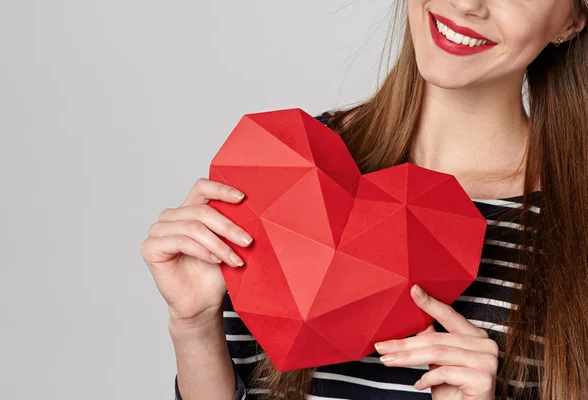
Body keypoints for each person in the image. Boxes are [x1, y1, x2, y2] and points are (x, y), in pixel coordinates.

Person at [141, 0, 588, 398]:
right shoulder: (291, 164)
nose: (468, 4)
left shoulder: (576, 224)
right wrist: (195, 326)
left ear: (573, 18)